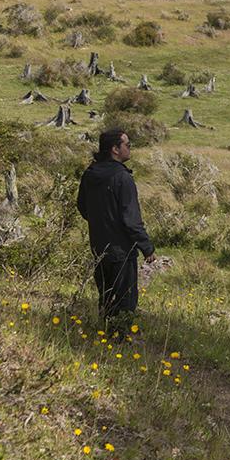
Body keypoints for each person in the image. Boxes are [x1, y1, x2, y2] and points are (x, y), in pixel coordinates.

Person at [76, 129, 155, 324]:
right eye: (127, 145)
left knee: (106, 295)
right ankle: (120, 339)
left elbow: (82, 207)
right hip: (122, 250)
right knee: (125, 300)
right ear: (115, 149)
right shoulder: (123, 178)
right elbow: (131, 219)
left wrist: (100, 223)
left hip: (99, 247)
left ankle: (105, 334)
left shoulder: (89, 174)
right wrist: (147, 247)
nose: (130, 149)